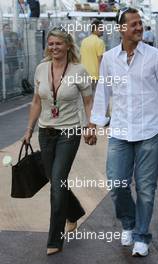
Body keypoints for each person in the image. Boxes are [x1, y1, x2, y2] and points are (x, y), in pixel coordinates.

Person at [88, 7, 158, 257]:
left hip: (149, 132)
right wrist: (93, 124)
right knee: (116, 183)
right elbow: (103, 93)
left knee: (145, 188)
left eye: (140, 23)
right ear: (121, 28)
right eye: (133, 24)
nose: (139, 28)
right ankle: (129, 223)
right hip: (120, 132)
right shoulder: (110, 59)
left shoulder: (156, 56)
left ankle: (142, 235)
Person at [23, 27, 93, 255]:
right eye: (51, 44)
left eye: (58, 44)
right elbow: (36, 102)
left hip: (69, 133)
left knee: (58, 181)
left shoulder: (79, 71)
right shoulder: (41, 69)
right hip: (46, 132)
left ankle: (55, 238)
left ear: (68, 45)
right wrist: (29, 129)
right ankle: (73, 213)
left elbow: (88, 102)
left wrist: (90, 126)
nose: (54, 48)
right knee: (56, 182)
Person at [80, 19, 105, 98]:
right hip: (95, 75)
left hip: (84, 74)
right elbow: (100, 60)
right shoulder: (99, 42)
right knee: (95, 98)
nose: (102, 30)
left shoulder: (84, 41)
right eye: (101, 28)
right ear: (95, 29)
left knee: (85, 98)